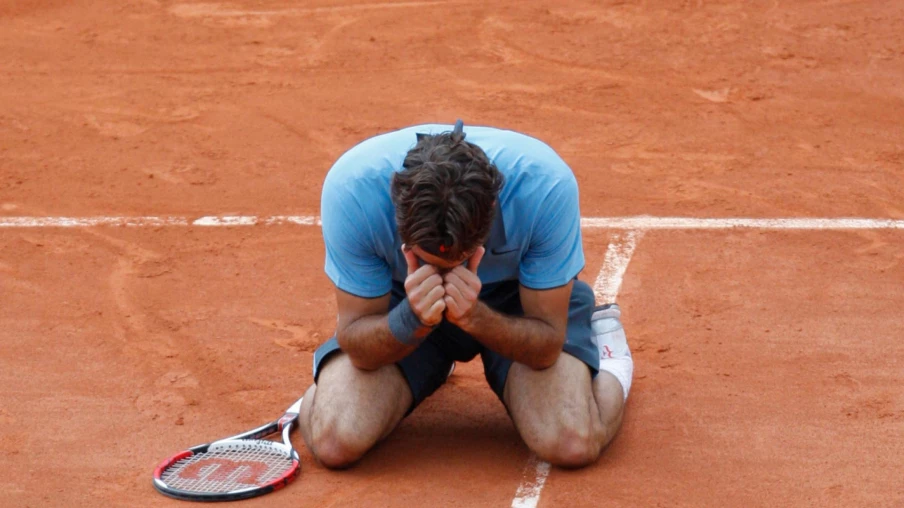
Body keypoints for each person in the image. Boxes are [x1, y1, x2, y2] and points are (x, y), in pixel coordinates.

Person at [298, 120, 634, 469]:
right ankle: (358, 382)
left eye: (461, 259)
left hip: (518, 298)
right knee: (334, 440)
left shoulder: (545, 186)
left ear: (490, 213)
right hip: (405, 299)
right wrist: (409, 318)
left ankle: (612, 357)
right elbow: (359, 345)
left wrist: (475, 316)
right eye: (431, 261)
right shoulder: (353, 191)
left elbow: (546, 344)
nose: (448, 271)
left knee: (572, 442)